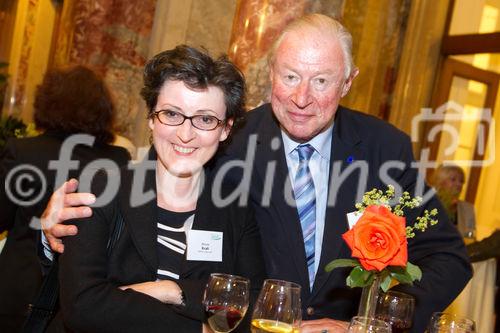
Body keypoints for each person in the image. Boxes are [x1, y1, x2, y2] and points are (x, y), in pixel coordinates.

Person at [42, 14, 472, 333]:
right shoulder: (229, 139)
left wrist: (369, 323)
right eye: (290, 76)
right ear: (271, 76)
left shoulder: (383, 148)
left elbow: (448, 259)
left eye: (321, 81)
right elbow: (164, 163)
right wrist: (54, 227)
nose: (302, 98)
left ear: (347, 82)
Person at [47, 46, 265, 332]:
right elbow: (83, 307)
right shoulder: (102, 188)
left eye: (205, 119)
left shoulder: (235, 207)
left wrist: (172, 290)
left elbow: (253, 304)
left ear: (226, 129)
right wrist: (199, 328)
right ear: (151, 117)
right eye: (172, 114)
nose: (185, 134)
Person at [0, 65, 130, 332]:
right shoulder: (117, 159)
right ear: (103, 111)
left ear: (47, 104)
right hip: (83, 296)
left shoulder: (23, 151)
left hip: (19, 290)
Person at [432, 164, 476, 239]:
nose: (459, 184)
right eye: (453, 179)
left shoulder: (468, 208)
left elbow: (470, 236)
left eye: (461, 181)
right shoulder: (427, 203)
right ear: (440, 182)